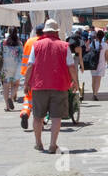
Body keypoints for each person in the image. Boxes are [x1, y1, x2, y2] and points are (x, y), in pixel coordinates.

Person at [25, 20, 77, 153]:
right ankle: (53, 144)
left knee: (37, 117)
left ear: (44, 31)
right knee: (56, 117)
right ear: (56, 31)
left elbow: (30, 65)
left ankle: (38, 143)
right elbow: (71, 66)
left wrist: (26, 83)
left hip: (39, 85)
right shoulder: (64, 46)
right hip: (59, 85)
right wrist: (75, 81)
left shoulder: (36, 45)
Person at [18, 24, 42, 130]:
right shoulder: (42, 42)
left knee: (28, 97)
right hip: (39, 74)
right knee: (40, 99)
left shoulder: (29, 41)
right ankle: (39, 120)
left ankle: (25, 112)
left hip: (27, 72)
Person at [0, 29, 23, 111]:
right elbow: (22, 55)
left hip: (6, 67)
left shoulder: (3, 42)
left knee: (5, 86)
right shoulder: (19, 43)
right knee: (16, 85)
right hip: (16, 66)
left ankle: (7, 106)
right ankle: (11, 98)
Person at [86, 29, 107, 100]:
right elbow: (106, 55)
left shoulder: (93, 43)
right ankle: (95, 94)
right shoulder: (105, 44)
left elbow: (88, 51)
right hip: (101, 63)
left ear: (96, 36)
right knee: (98, 80)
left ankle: (93, 93)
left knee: (93, 79)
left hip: (93, 63)